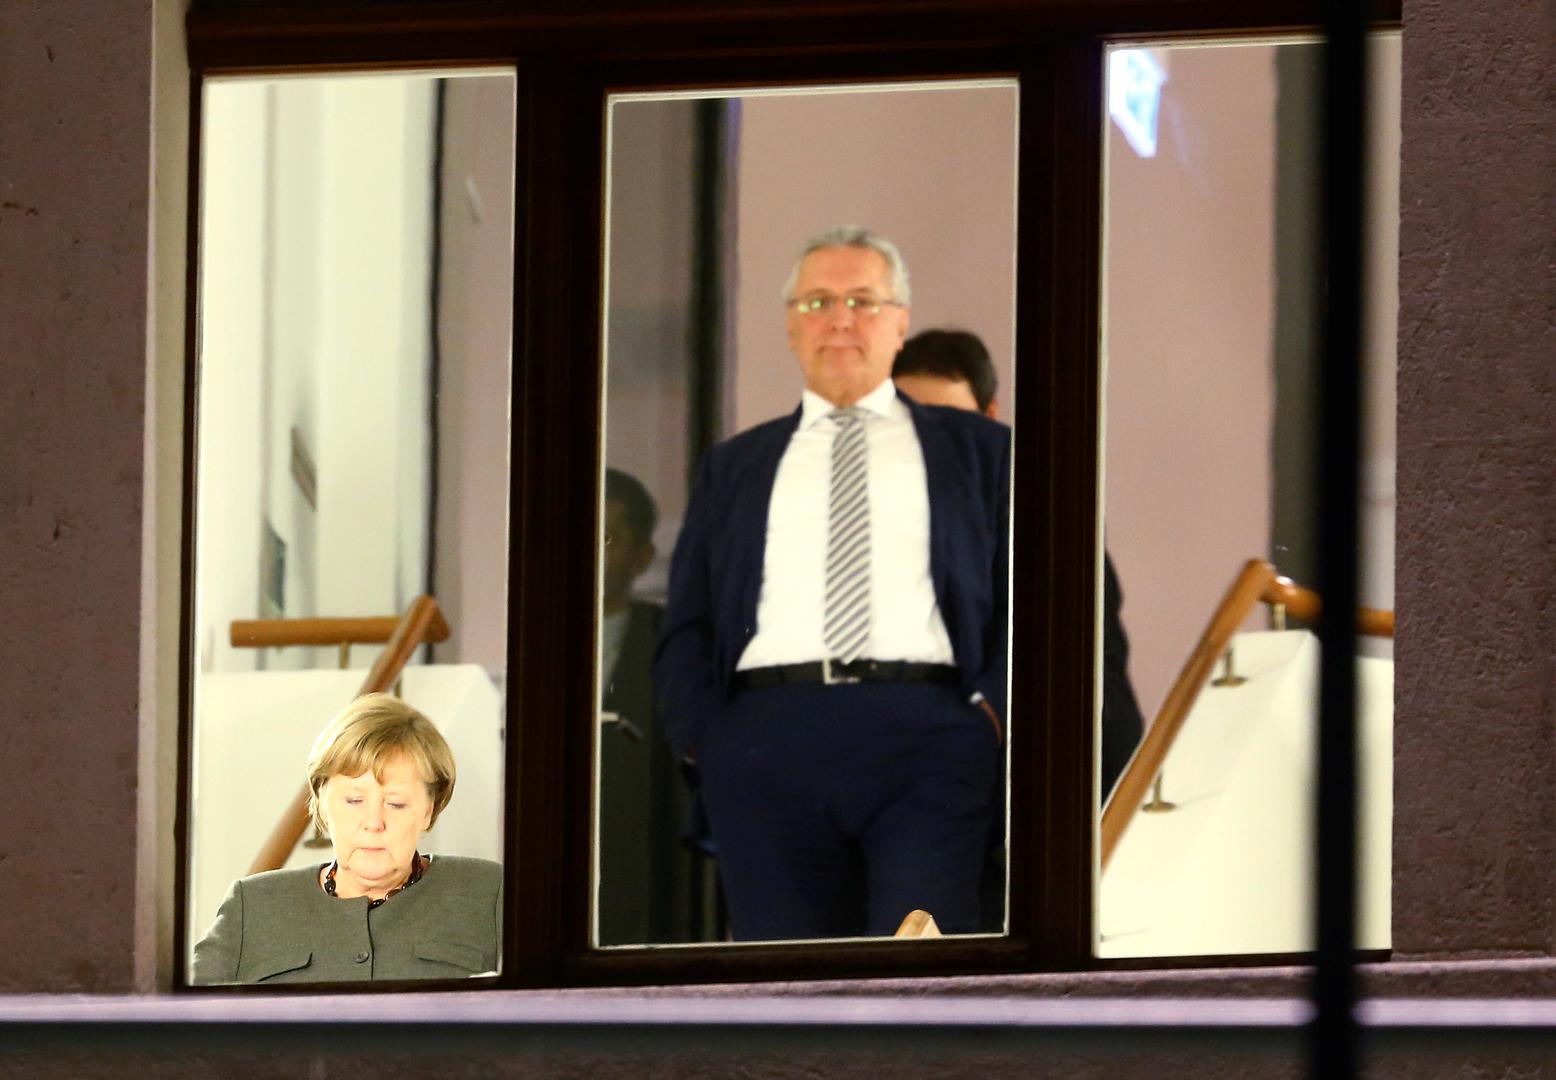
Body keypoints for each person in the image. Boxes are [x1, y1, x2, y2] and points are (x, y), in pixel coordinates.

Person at [654, 226, 1008, 940]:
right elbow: (688, 619)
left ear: (900, 323)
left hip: (931, 738)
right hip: (764, 743)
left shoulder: (981, 451)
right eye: (817, 302)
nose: (840, 319)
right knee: (788, 989)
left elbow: (1031, 595)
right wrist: (705, 738)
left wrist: (992, 717)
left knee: (922, 973)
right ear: (790, 325)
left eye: (863, 301)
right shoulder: (734, 465)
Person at [892, 329, 1146, 797]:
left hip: (1032, 781)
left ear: (989, 418)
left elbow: (1084, 657)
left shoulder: (1037, 498)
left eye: (952, 422)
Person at [192, 693, 501, 984]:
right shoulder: (251, 907)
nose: (373, 822)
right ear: (322, 804)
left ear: (428, 810)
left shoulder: (492, 893)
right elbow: (181, 1013)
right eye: (354, 800)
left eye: (396, 804)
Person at [596, 467, 697, 944]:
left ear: (642, 557)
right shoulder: (536, 639)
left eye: (607, 538)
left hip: (643, 862)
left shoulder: (667, 643)